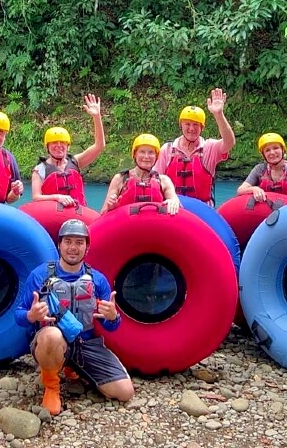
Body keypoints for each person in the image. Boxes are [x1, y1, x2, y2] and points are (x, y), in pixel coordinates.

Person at [14, 219, 134, 415]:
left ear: (87, 247)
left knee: (124, 392)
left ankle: (74, 366)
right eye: (68, 241)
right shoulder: (40, 275)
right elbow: (18, 316)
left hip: (84, 343)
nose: (73, 247)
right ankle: (52, 385)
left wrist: (113, 317)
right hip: (51, 340)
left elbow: (111, 326)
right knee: (52, 335)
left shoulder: (98, 280)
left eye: (79, 242)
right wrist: (30, 315)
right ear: (59, 244)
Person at [153, 88, 236, 205]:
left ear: (202, 128)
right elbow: (155, 180)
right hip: (173, 207)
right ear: (180, 125)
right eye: (187, 124)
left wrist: (218, 114)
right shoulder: (167, 150)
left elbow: (229, 142)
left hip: (202, 210)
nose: (191, 129)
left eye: (196, 125)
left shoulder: (209, 148)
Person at [31, 94, 106, 207]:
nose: (59, 146)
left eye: (62, 143)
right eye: (54, 143)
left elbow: (99, 146)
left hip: (78, 214)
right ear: (47, 147)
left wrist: (97, 116)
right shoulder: (40, 170)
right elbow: (36, 197)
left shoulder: (76, 161)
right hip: (52, 216)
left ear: (68, 146)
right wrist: (58, 197)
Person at [236, 111, 287, 200]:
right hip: (266, 212)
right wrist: (253, 189)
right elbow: (241, 190)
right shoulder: (260, 169)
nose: (272, 152)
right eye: (267, 150)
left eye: (276, 148)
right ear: (263, 155)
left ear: (283, 150)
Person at [101, 134, 180, 215]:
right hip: (126, 226)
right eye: (142, 152)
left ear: (156, 156)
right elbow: (103, 214)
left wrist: (172, 202)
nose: (146, 156)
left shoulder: (164, 181)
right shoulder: (120, 179)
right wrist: (111, 207)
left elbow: (175, 202)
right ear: (135, 154)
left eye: (151, 152)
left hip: (155, 226)